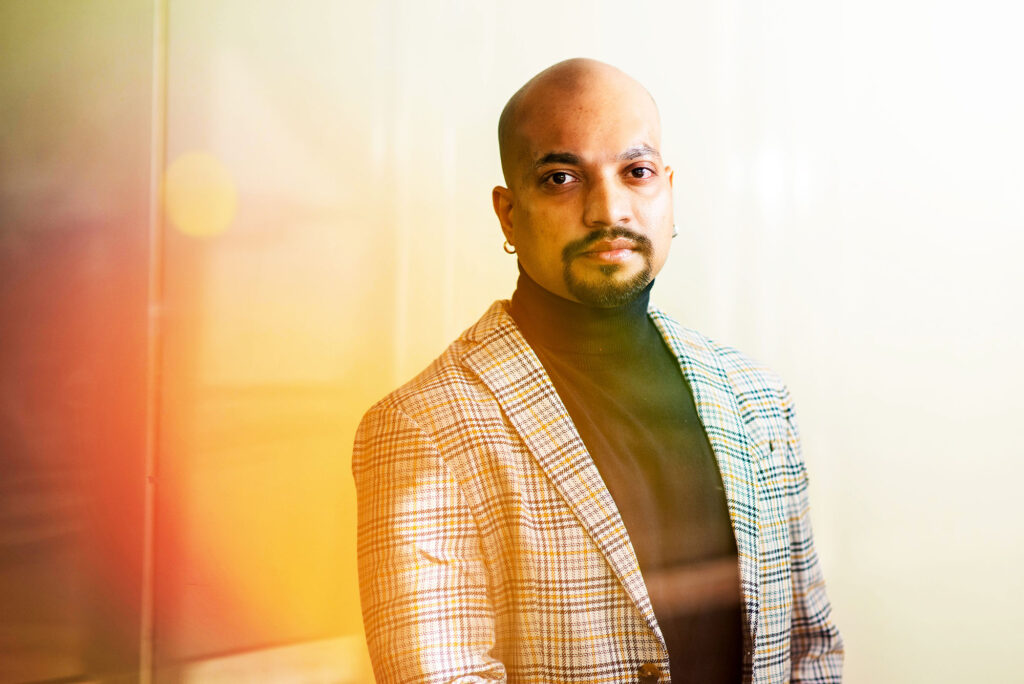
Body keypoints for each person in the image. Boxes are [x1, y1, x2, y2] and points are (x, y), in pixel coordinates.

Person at [353, 58, 843, 683]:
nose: (608, 209)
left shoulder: (757, 398)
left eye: (636, 172)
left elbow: (810, 650)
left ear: (667, 189)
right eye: (561, 177)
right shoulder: (422, 429)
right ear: (508, 213)